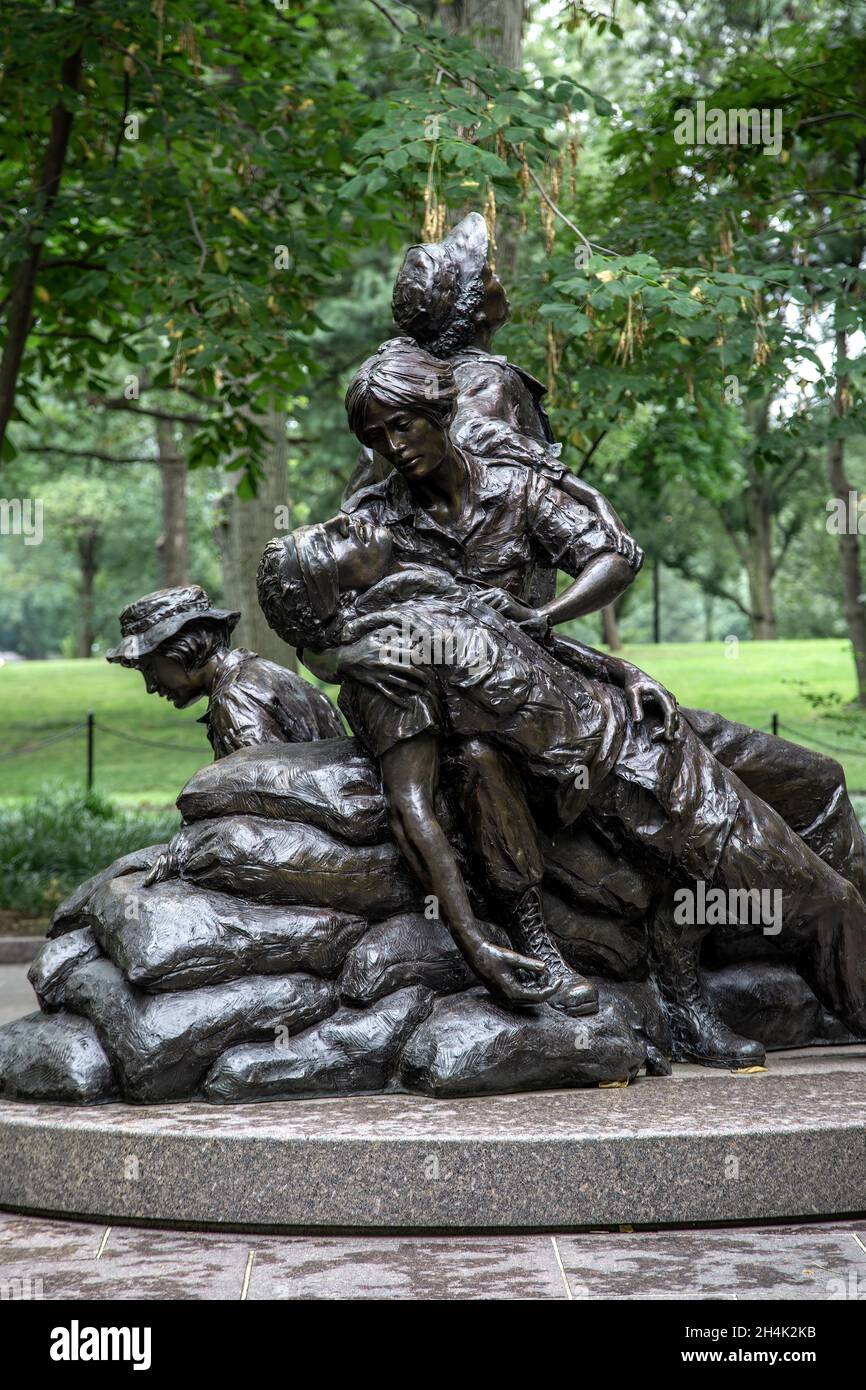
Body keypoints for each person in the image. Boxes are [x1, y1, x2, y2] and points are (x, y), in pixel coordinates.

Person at [255, 510, 866, 1064]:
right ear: (333, 592)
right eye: (330, 542)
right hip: (633, 772)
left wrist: (621, 668)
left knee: (820, 780)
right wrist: (474, 941)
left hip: (644, 717)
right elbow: (411, 808)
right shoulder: (385, 668)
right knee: (825, 902)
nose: (348, 521)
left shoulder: (427, 584)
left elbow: (534, 638)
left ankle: (802, 994)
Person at [106, 584, 344, 759]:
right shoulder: (261, 674)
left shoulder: (234, 700)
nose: (151, 686)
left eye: (150, 668)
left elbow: (262, 799)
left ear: (182, 647)